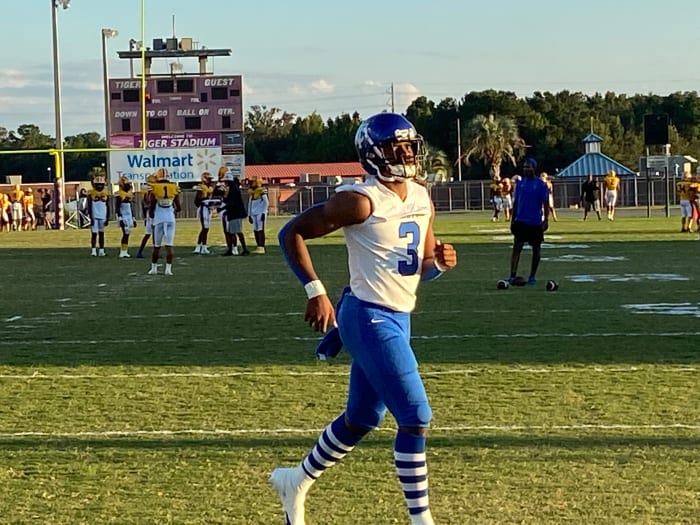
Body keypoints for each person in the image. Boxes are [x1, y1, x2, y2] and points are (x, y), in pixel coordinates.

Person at [272, 112, 457, 525]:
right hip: (368, 315)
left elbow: (422, 266)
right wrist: (315, 292)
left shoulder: (421, 195)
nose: (406, 154)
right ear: (373, 154)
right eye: (396, 147)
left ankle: (295, 481)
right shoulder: (360, 200)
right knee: (416, 417)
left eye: (409, 146)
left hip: (398, 316)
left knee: (362, 418)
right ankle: (421, 521)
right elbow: (291, 232)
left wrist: (441, 263)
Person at [507, 157, 550, 285]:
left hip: (535, 222)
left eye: (528, 167)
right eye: (525, 167)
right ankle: (512, 274)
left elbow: (546, 203)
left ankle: (532, 276)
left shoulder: (541, 185)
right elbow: (516, 203)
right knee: (517, 248)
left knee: (536, 249)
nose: (526, 169)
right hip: (521, 221)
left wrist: (546, 220)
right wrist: (512, 220)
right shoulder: (520, 184)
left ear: (534, 168)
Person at [147, 168, 181, 276]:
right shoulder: (174, 187)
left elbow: (152, 204)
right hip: (170, 218)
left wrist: (151, 214)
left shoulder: (155, 187)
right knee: (169, 246)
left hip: (159, 218)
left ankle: (154, 268)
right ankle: (168, 270)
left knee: (157, 246)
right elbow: (179, 207)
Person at [221, 174, 250, 256]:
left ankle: (244, 249)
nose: (225, 182)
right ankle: (231, 249)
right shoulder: (232, 188)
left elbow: (232, 202)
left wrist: (223, 208)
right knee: (231, 232)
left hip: (236, 213)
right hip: (233, 213)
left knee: (237, 232)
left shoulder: (233, 189)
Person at [193, 171, 216, 254]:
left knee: (206, 228)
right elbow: (197, 199)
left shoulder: (209, 187)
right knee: (204, 228)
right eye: (209, 179)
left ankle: (202, 246)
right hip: (203, 208)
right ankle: (200, 246)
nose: (210, 180)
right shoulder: (202, 187)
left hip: (207, 208)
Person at [87, 175, 110, 256]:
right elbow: (89, 206)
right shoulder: (91, 193)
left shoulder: (106, 193)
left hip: (103, 215)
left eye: (101, 184)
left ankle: (101, 250)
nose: (100, 186)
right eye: (98, 184)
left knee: (101, 233)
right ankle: (93, 250)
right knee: (94, 233)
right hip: (94, 215)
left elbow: (108, 206)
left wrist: (107, 217)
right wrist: (91, 217)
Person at [116, 176, 137, 258]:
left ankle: (125, 250)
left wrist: (133, 218)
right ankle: (122, 251)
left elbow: (130, 207)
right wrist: (120, 217)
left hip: (129, 215)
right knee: (125, 233)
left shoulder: (129, 194)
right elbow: (117, 207)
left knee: (127, 233)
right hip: (123, 215)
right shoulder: (119, 194)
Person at [136, 174, 156, 259]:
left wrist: (145, 217)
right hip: (153, 213)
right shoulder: (151, 192)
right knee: (154, 234)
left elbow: (143, 205)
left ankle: (140, 251)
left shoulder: (145, 193)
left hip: (149, 214)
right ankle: (155, 251)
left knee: (148, 234)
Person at [247, 177, 269, 253]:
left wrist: (263, 212)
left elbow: (266, 202)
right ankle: (258, 246)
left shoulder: (261, 190)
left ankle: (262, 247)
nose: (250, 184)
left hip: (260, 212)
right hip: (253, 213)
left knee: (260, 229)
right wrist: (249, 215)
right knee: (255, 230)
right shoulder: (252, 192)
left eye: (252, 182)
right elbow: (250, 204)